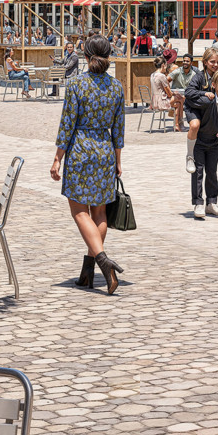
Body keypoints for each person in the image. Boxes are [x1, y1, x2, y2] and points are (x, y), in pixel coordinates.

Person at [52, 36, 125, 293]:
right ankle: (87, 272)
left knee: (79, 212)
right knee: (100, 213)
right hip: (105, 149)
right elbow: (119, 128)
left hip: (81, 149)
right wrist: (117, 161)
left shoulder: (76, 85)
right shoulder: (116, 87)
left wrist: (57, 158)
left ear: (85, 55)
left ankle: (103, 262)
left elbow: (67, 124)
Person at [187, 69, 218, 219]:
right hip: (200, 141)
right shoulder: (207, 101)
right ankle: (198, 203)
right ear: (213, 85)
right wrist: (202, 94)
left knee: (212, 172)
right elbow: (188, 100)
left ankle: (212, 202)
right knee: (198, 171)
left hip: (214, 142)